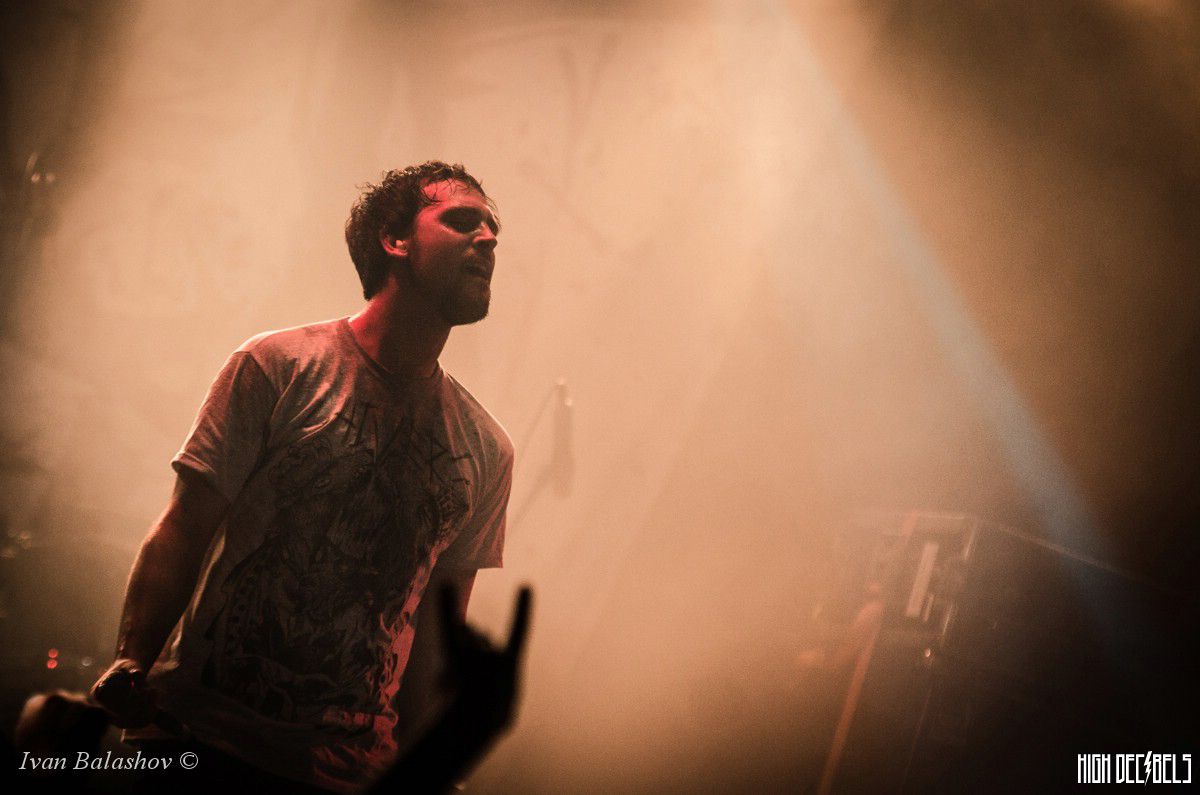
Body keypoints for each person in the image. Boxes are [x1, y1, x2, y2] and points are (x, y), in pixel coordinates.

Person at [90, 161, 516, 794]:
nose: (488, 238)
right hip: (197, 739)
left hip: (347, 776)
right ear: (395, 239)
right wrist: (131, 658)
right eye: (461, 221)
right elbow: (185, 528)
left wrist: (426, 765)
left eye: (492, 228)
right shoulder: (276, 366)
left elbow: (436, 632)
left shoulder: (487, 449)